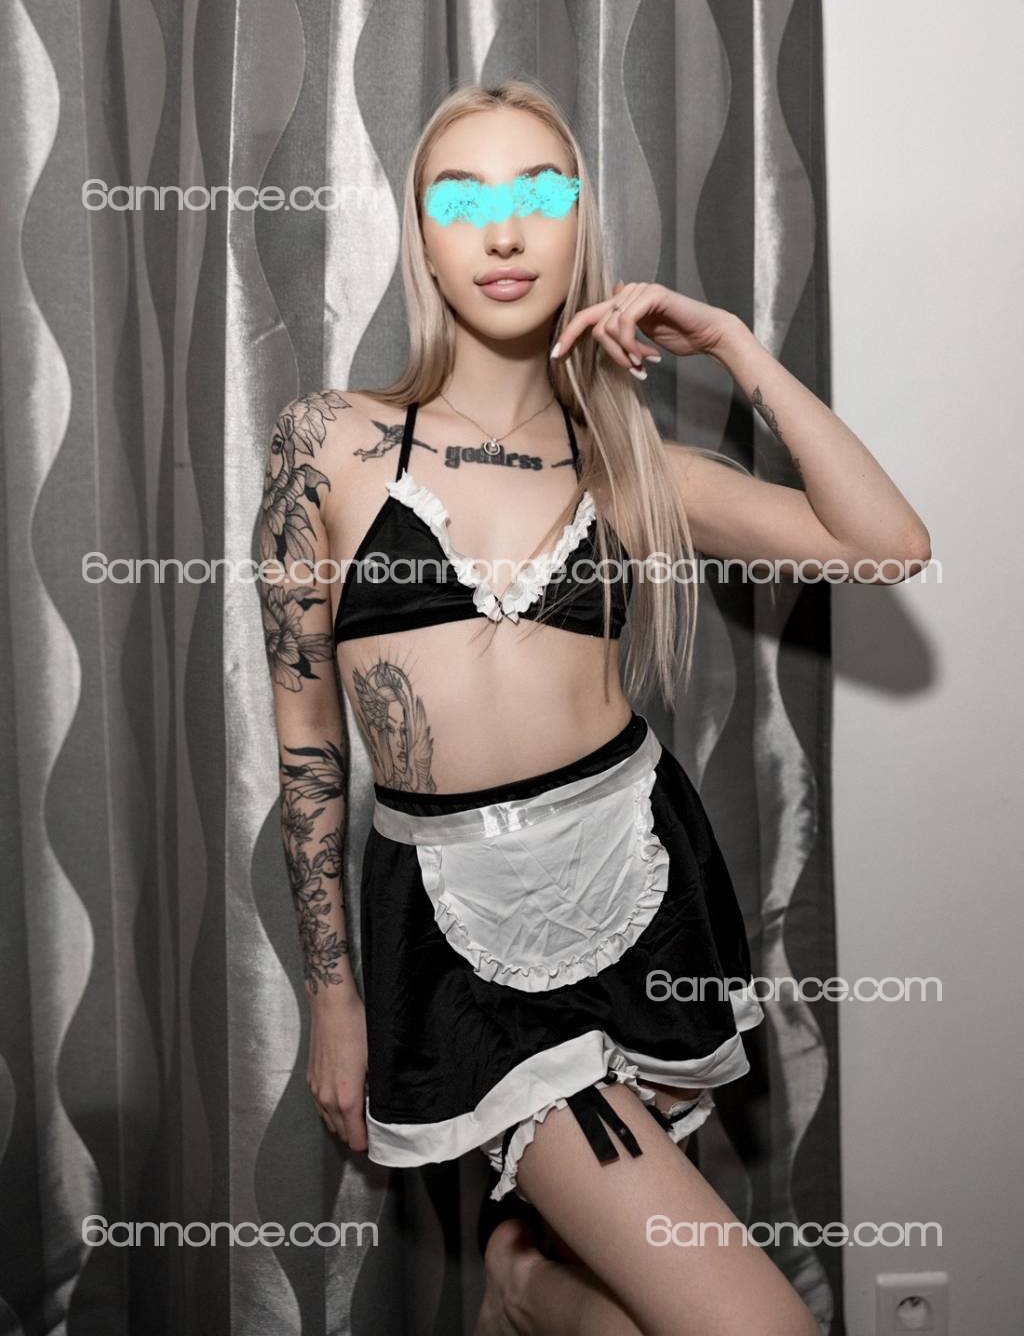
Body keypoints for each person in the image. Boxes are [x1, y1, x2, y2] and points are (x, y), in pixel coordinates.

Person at [257, 79, 929, 1336]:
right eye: (462, 201)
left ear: (581, 229)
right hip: (455, 934)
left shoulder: (633, 473)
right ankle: (521, 1281)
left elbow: (886, 548)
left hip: (640, 892)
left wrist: (734, 347)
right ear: (422, 241)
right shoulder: (330, 444)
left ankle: (522, 1287)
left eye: (539, 194)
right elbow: (308, 743)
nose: (504, 232)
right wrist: (333, 999)